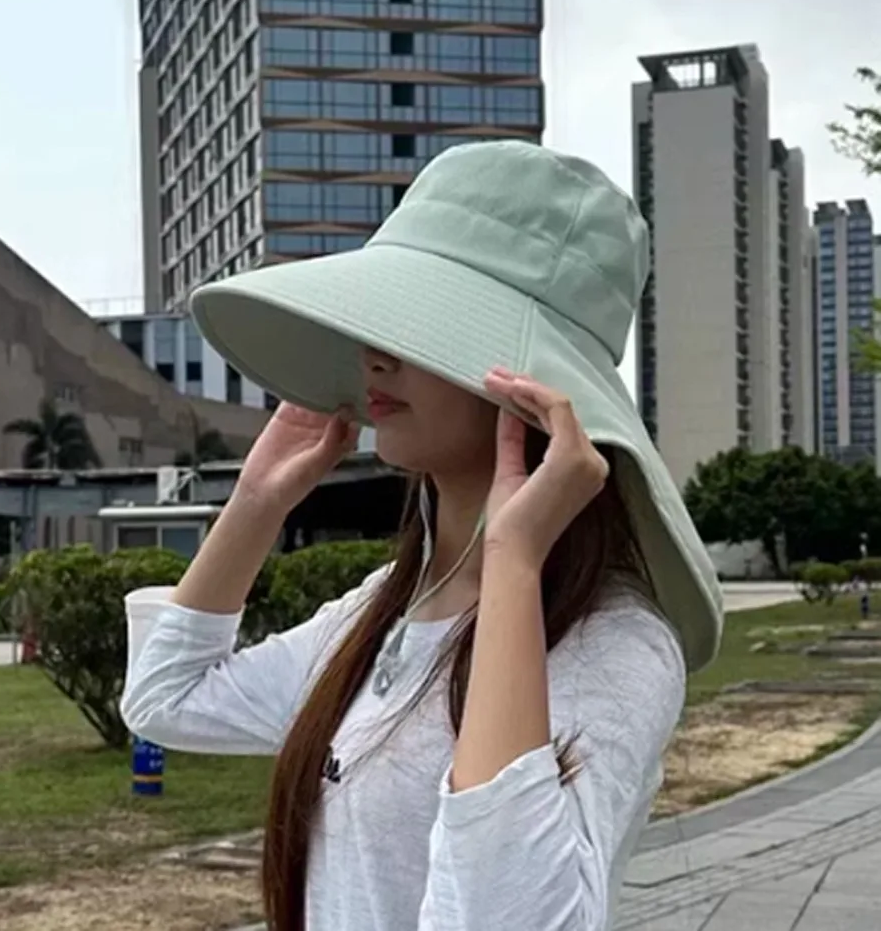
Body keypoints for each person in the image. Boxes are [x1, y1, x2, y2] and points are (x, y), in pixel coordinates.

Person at [121, 141, 723, 931]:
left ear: (536, 385)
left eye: (423, 329)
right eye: (382, 322)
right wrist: (257, 502)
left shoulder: (614, 647)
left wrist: (512, 567)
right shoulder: (385, 611)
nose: (375, 354)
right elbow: (167, 701)